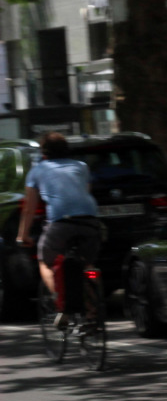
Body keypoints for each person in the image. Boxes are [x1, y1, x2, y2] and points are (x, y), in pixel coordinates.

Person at [16, 132, 104, 327]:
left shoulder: (37, 170)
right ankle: (93, 312)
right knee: (86, 265)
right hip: (90, 221)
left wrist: (23, 235)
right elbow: (84, 193)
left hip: (61, 223)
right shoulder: (81, 167)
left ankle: (62, 304)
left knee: (44, 261)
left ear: (44, 153)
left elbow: (29, 208)